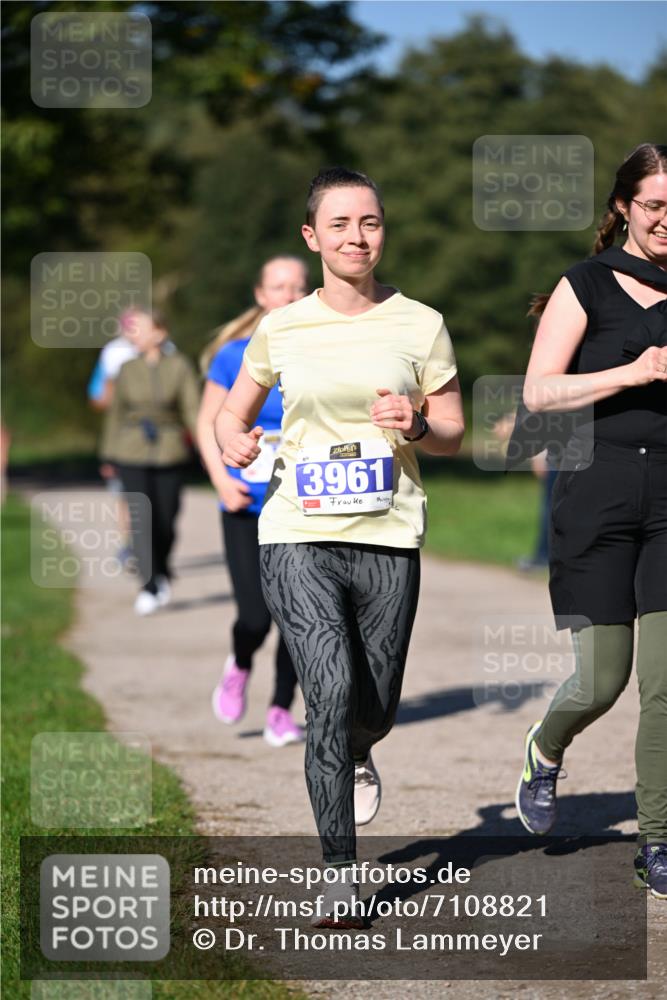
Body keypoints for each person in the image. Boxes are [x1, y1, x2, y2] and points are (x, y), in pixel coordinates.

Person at [216, 167, 464, 925]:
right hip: (296, 529)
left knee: (373, 703)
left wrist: (416, 423)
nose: (357, 238)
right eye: (340, 225)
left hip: (387, 530)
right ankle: (338, 871)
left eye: (371, 224)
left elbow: (452, 432)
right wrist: (238, 443)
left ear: (383, 231)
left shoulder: (419, 323)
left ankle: (362, 749)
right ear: (311, 236)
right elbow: (232, 417)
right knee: (324, 693)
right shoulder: (282, 326)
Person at [514, 143, 667, 900]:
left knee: (666, 685)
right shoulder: (585, 284)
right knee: (602, 681)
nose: (666, 222)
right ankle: (545, 749)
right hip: (595, 491)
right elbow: (539, 394)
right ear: (622, 208)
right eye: (654, 206)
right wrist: (633, 372)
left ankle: (659, 839)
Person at [196, 256, 309, 747]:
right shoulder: (234, 355)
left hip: (306, 507)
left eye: (298, 287)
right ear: (261, 295)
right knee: (255, 617)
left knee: (299, 617)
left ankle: (282, 708)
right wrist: (222, 480)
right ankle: (240, 662)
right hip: (245, 502)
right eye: (279, 287)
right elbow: (207, 423)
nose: (288, 295)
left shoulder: (320, 353)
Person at [101, 309, 200, 615]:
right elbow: (115, 414)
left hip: (169, 449)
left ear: (159, 332)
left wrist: (208, 448)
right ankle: (148, 585)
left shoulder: (180, 366)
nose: (133, 335)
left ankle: (162, 567)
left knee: (166, 520)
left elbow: (193, 410)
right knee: (141, 518)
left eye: (139, 329)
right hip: (130, 450)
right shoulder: (127, 369)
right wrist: (108, 454)